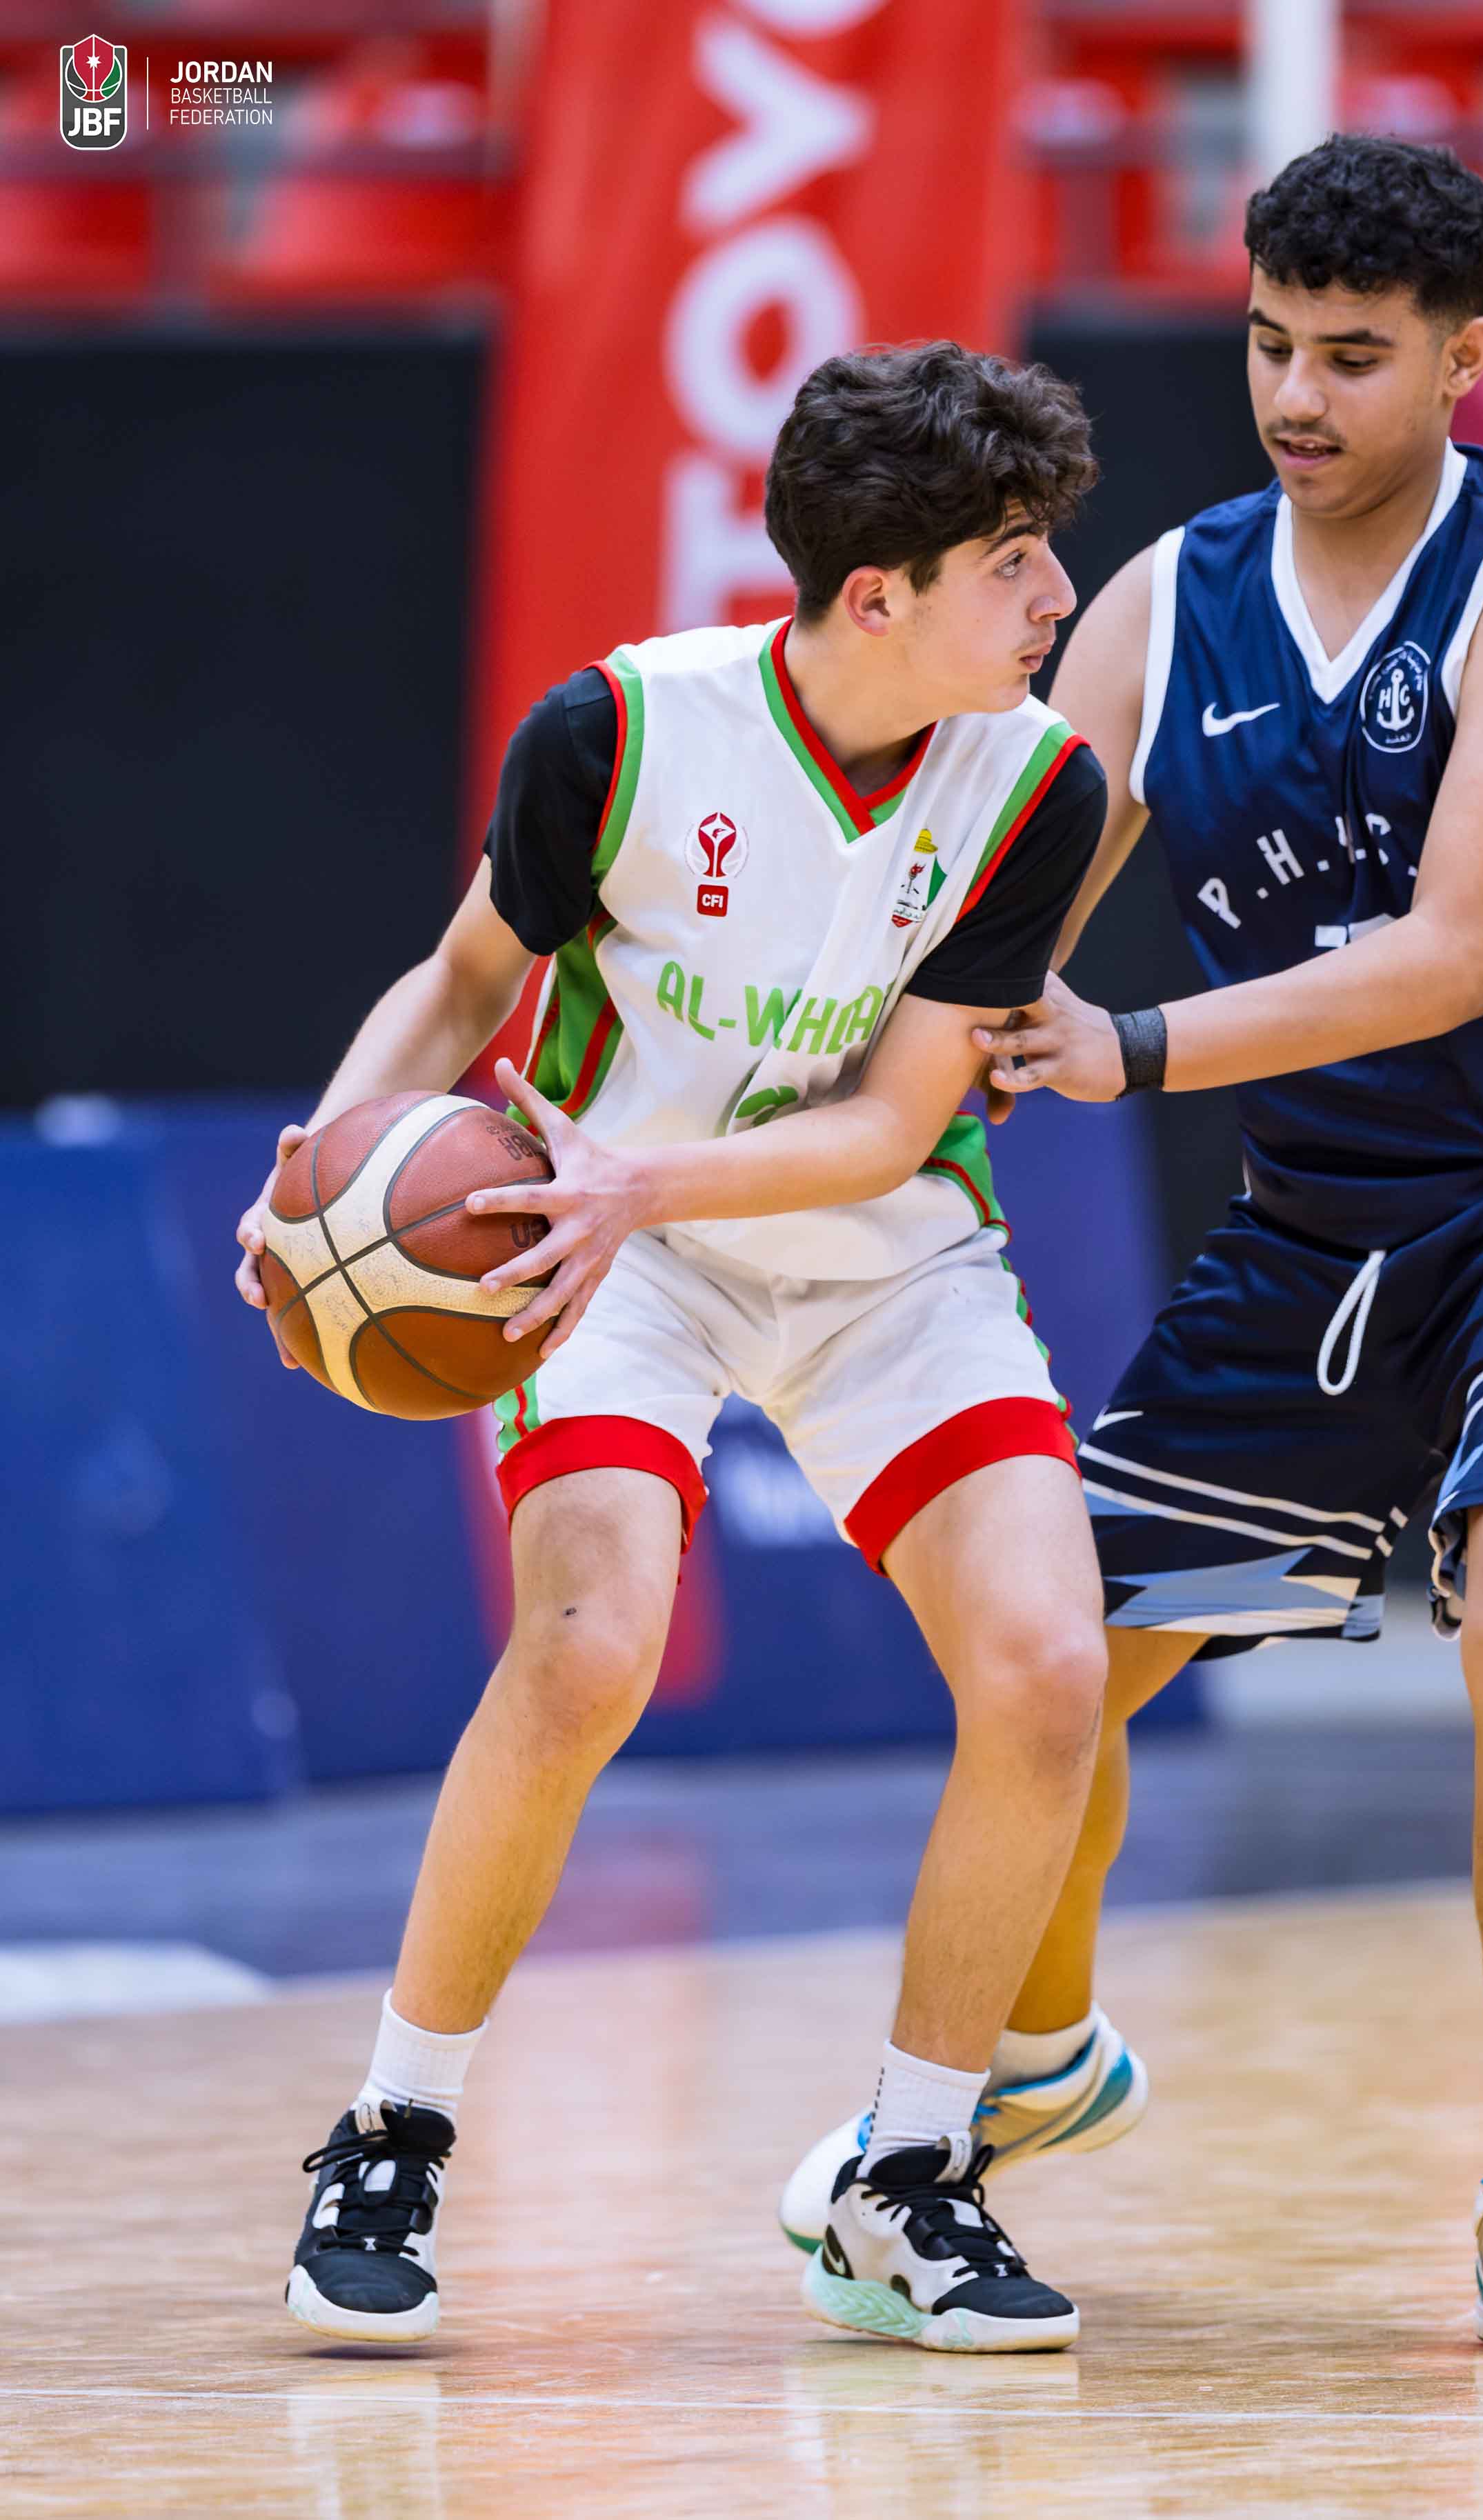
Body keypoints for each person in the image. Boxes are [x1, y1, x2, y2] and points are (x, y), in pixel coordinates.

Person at [782, 139, 1483, 2366]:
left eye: (1351, 356)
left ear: (1465, 356)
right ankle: (1034, 2063)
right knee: (1047, 1658)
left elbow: (1450, 954)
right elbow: (991, 907)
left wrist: (1126, 1046)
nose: (1296, 397)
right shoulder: (1163, 607)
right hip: (1328, 1218)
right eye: (1265, 346)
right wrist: (756, 1090)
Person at [237, 341, 1146, 2356]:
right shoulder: (620, 730)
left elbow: (895, 1126)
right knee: (587, 1652)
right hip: (602, 1248)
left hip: (866, 1245)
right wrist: (321, 1175)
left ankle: (908, 2175)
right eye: (1016, 558)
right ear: (879, 592)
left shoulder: (1035, 783)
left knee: (1046, 1669)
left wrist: (648, 1186)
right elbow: (463, 978)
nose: (1057, 596)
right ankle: (391, 2131)